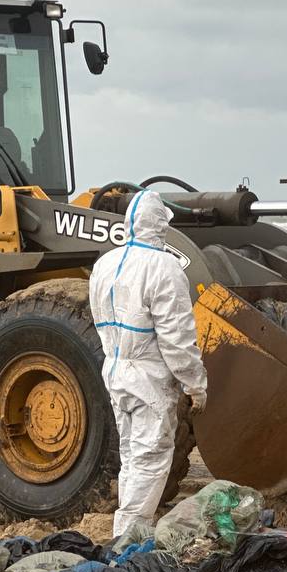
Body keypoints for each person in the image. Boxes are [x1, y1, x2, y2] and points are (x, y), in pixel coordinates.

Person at [88, 189, 208, 538]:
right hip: (148, 379)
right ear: (161, 226)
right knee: (151, 457)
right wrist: (195, 384)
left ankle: (125, 530)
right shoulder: (164, 268)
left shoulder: (104, 264)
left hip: (115, 370)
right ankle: (128, 537)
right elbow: (177, 338)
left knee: (131, 456)